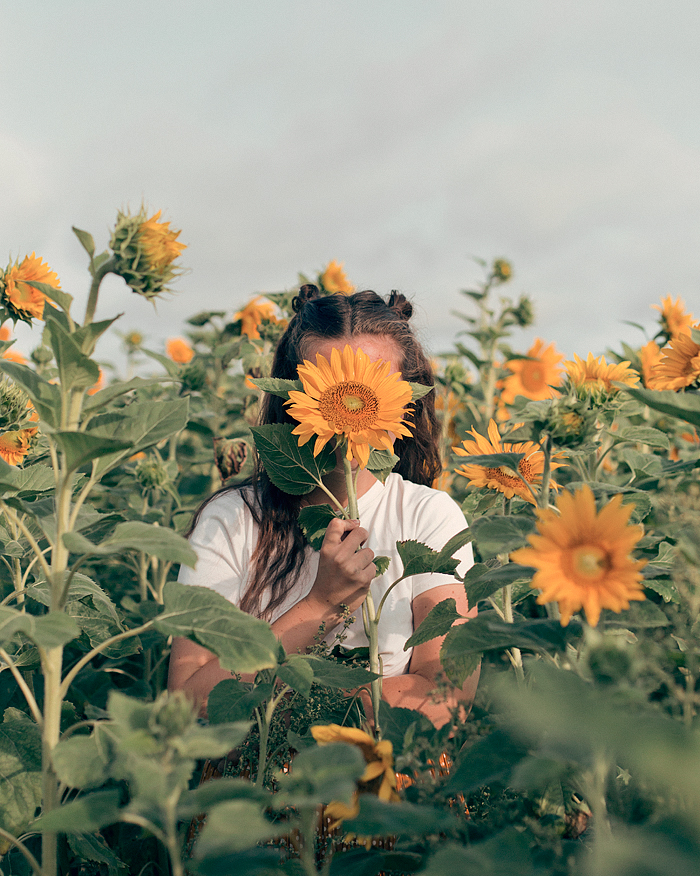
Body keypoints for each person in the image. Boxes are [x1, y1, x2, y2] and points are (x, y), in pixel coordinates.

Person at [168, 286, 479, 728]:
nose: (351, 404)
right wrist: (320, 605)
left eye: (375, 388)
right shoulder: (234, 518)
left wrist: (281, 705)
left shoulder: (427, 516)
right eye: (326, 388)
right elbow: (186, 705)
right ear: (293, 399)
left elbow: (448, 698)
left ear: (404, 400)